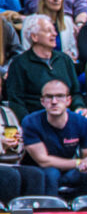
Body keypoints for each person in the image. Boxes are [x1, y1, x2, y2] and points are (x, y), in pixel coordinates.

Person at [22, 79, 87, 197]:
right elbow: (43, 161)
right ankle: (50, 213)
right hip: (39, 171)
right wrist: (78, 162)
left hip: (70, 169)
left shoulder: (81, 122)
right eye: (49, 97)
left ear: (68, 100)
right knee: (51, 174)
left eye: (60, 96)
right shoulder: (31, 122)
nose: (54, 101)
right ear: (42, 101)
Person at [4, 15, 87, 120]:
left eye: (54, 30)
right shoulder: (19, 64)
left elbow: (75, 93)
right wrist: (30, 124)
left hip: (68, 118)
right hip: (38, 121)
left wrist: (79, 107)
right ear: (34, 37)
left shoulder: (64, 59)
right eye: (48, 31)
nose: (54, 34)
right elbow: (17, 102)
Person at [0, 75, 47, 203]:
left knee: (35, 174)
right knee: (10, 175)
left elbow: (20, 146)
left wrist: (15, 144)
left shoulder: (6, 112)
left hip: (9, 162)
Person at [31, 0, 79, 64]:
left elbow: (73, 50)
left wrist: (71, 55)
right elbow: (26, 50)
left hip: (64, 64)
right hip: (39, 65)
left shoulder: (68, 21)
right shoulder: (32, 21)